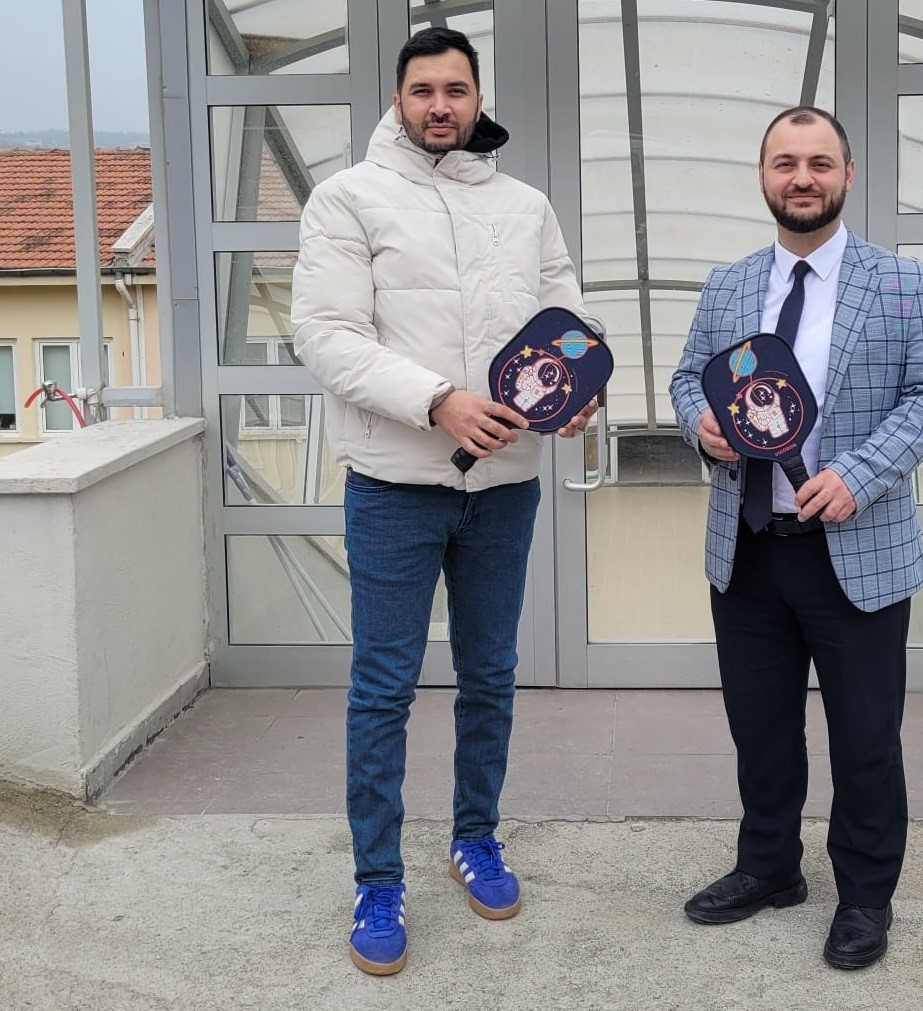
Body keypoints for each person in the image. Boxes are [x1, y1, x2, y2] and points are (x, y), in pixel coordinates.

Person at [291, 27, 595, 976]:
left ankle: (475, 837)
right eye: (422, 89)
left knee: (490, 676)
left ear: (476, 98)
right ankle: (377, 879)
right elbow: (325, 335)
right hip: (393, 486)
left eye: (455, 89)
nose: (439, 105)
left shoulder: (524, 205)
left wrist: (577, 391)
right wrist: (438, 401)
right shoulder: (348, 198)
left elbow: (569, 324)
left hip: (503, 488)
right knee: (383, 687)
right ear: (397, 100)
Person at [668, 106, 923, 970]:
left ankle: (864, 895)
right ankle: (768, 868)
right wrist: (700, 426)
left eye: (819, 163)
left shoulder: (902, 283)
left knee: (864, 738)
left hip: (855, 549)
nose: (802, 178)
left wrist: (858, 475)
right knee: (760, 730)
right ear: (763, 176)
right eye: (785, 162)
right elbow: (687, 379)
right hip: (748, 544)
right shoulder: (726, 285)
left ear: (847, 174)